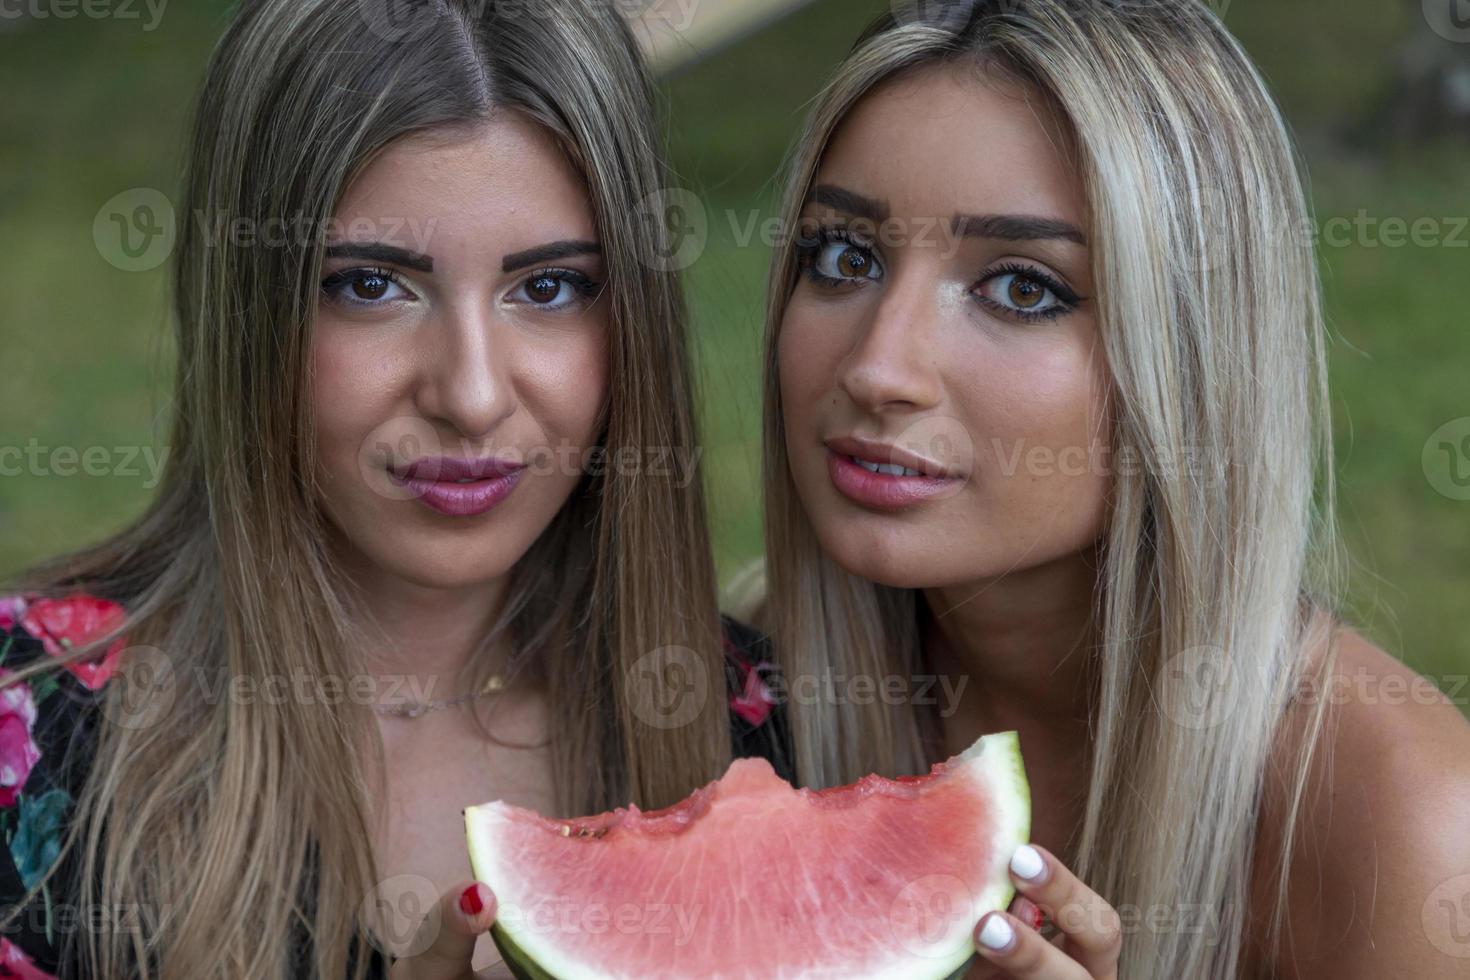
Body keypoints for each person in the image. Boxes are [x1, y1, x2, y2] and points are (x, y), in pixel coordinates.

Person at [0, 1, 784, 977]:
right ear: (252, 309)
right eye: (371, 284)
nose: (471, 394)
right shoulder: (27, 736)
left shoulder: (764, 737)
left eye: (548, 288)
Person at [754, 2, 1470, 977]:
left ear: (1193, 355)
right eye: (846, 255)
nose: (880, 366)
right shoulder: (748, 691)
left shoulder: (1409, 825)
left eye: (1021, 288)